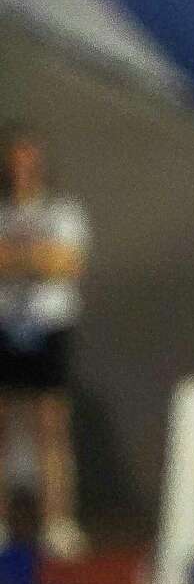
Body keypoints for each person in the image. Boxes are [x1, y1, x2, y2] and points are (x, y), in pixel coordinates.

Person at [0, 123, 90, 559]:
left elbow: (67, 263)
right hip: (4, 323)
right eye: (16, 159)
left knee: (51, 424)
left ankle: (58, 522)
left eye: (30, 159)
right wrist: (36, 257)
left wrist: (17, 257)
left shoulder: (63, 211)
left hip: (48, 324)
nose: (24, 167)